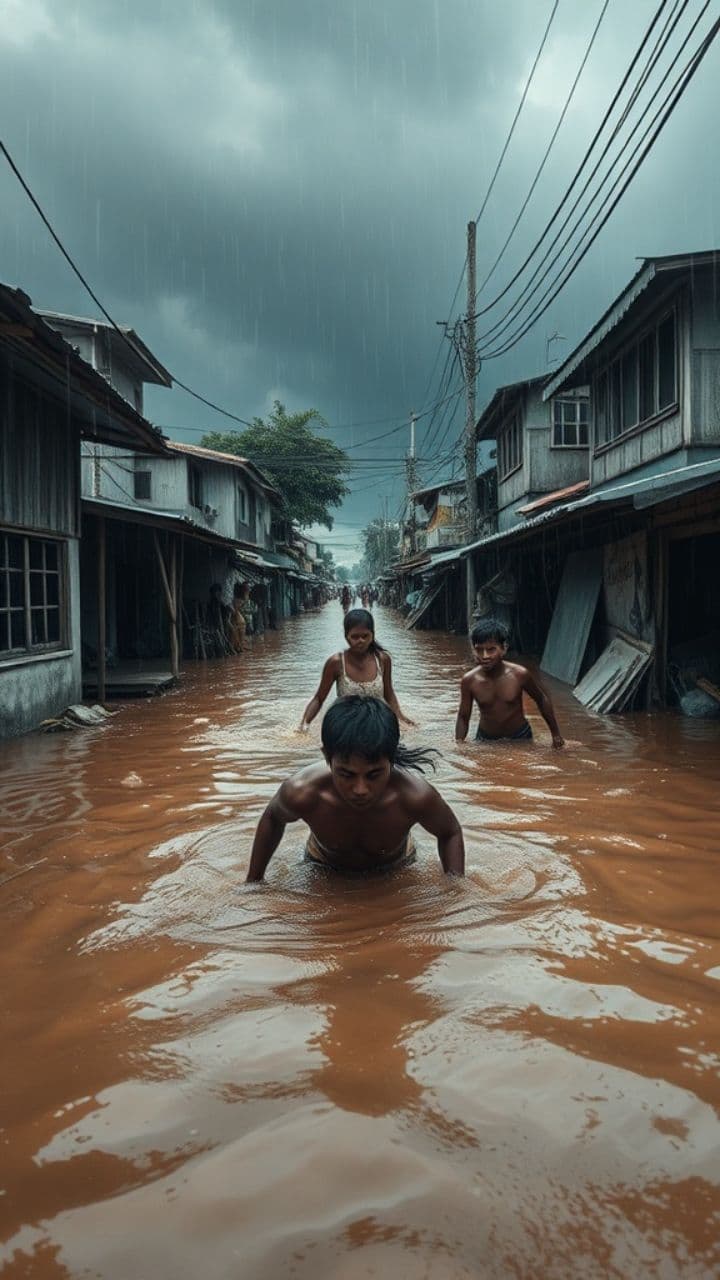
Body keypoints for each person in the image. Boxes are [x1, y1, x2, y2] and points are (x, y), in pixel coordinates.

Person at [246, 696, 464, 880]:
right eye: (346, 774)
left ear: (392, 759)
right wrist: (254, 883)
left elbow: (450, 831)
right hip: (323, 868)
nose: (360, 789)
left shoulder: (415, 797)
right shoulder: (303, 792)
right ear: (326, 757)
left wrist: (455, 889)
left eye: (374, 774)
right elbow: (273, 818)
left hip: (395, 870)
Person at [455, 617, 565, 748]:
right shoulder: (469, 680)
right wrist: (459, 744)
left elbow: (541, 699)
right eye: (479, 650)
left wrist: (556, 735)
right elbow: (463, 716)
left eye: (491, 649)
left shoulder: (520, 674)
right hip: (486, 739)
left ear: (503, 648)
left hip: (520, 736)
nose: (484, 656)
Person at [299, 608, 414, 731]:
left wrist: (400, 718)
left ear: (372, 634)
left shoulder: (382, 660)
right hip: (347, 726)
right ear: (346, 636)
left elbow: (389, 694)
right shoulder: (336, 663)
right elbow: (319, 698)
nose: (361, 641)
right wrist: (304, 725)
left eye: (365, 636)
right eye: (355, 637)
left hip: (378, 724)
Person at [227, 582, 247, 653]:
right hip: (237, 626)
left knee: (239, 644)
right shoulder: (233, 603)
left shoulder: (237, 602)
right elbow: (228, 620)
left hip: (239, 625)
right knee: (237, 644)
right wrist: (232, 627)